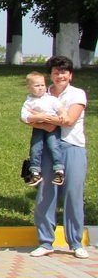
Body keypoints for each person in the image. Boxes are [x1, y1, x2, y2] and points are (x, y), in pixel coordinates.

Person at [24, 56, 89, 259]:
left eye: (64, 72)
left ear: (70, 75)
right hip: (47, 149)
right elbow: (26, 117)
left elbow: (68, 119)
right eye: (56, 72)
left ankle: (76, 242)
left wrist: (42, 119)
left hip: (72, 146)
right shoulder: (42, 92)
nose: (60, 75)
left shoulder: (77, 94)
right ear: (50, 75)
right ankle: (45, 241)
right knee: (45, 194)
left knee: (73, 194)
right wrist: (47, 120)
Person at [20, 71, 67, 187]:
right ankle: (35, 172)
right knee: (35, 148)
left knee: (54, 146)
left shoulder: (50, 99)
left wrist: (63, 114)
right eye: (37, 86)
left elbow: (60, 109)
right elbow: (24, 117)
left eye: (42, 85)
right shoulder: (28, 102)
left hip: (53, 127)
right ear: (29, 88)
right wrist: (37, 117)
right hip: (38, 128)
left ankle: (59, 171)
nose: (40, 88)